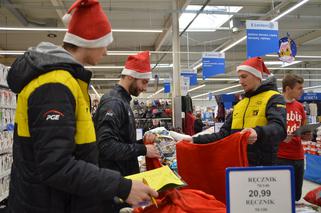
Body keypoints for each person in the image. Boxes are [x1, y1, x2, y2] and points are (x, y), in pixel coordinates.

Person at [6, 1, 157, 213]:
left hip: (60, 200)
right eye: (105, 44)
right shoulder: (54, 84)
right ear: (90, 41)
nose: (105, 52)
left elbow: (74, 150)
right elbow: (56, 166)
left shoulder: (67, 81)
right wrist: (122, 187)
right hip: (46, 204)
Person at [93, 51, 160, 212]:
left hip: (122, 183)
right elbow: (106, 146)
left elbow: (120, 142)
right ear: (130, 76)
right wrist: (143, 149)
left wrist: (142, 143)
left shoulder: (122, 101)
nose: (144, 88)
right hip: (115, 188)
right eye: (143, 82)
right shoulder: (114, 103)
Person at [189, 57, 287, 166]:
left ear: (257, 76)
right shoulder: (240, 105)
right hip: (237, 164)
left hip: (263, 167)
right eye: (239, 77)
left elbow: (279, 128)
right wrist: (194, 139)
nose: (240, 81)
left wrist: (258, 132)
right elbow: (223, 134)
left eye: (244, 77)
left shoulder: (273, 98)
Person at [277, 74, 312, 201]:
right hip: (281, 156)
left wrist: (307, 135)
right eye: (299, 88)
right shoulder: (276, 106)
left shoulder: (300, 107)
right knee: (282, 195)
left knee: (296, 195)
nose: (302, 91)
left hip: (298, 156)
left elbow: (303, 127)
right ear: (288, 89)